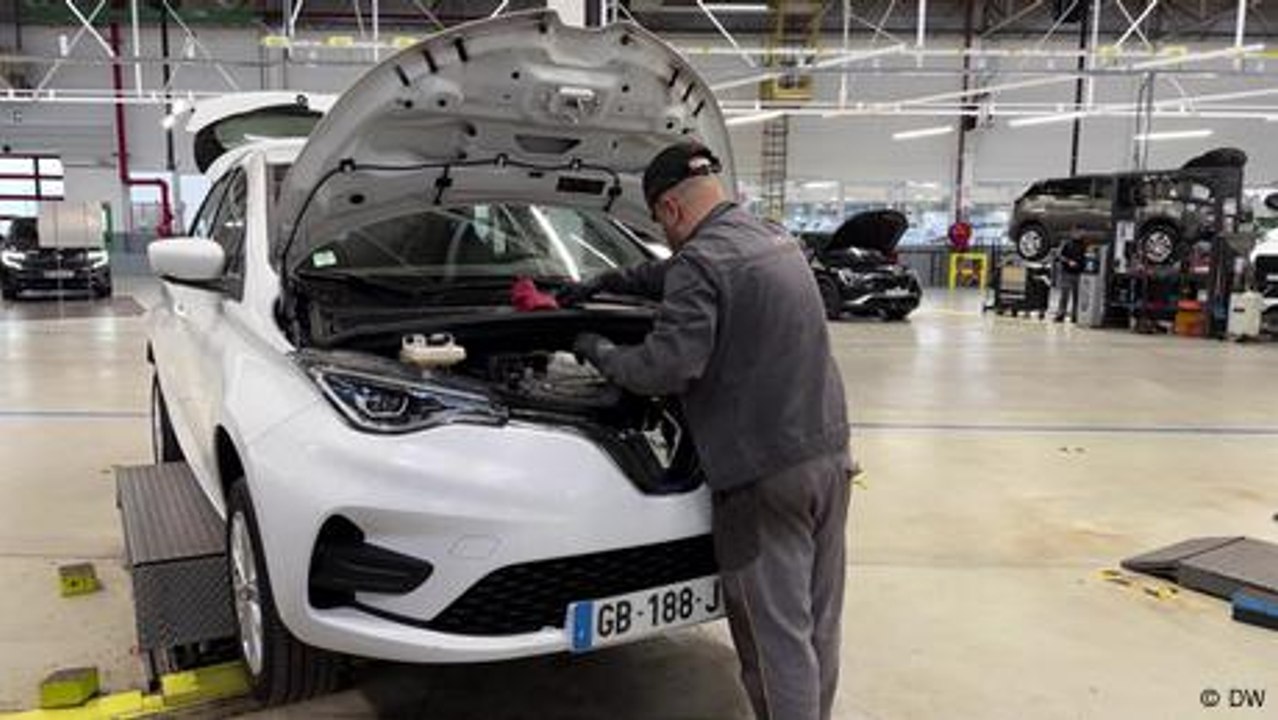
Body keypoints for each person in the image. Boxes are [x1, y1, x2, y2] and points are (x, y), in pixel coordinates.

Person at [564, 141, 854, 720]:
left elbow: (664, 370)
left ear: (669, 210)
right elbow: (671, 272)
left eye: (660, 221)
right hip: (830, 456)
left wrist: (596, 349)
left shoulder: (701, 262)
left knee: (774, 645)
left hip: (763, 480)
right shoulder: (773, 239)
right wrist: (604, 284)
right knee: (817, 626)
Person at [1055, 237, 1085, 323]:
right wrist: (1068, 261)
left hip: (1079, 273)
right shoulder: (1066, 243)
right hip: (1067, 273)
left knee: (1077, 296)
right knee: (1064, 295)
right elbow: (1059, 256)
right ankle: (1061, 314)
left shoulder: (1083, 244)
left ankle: (1075, 316)